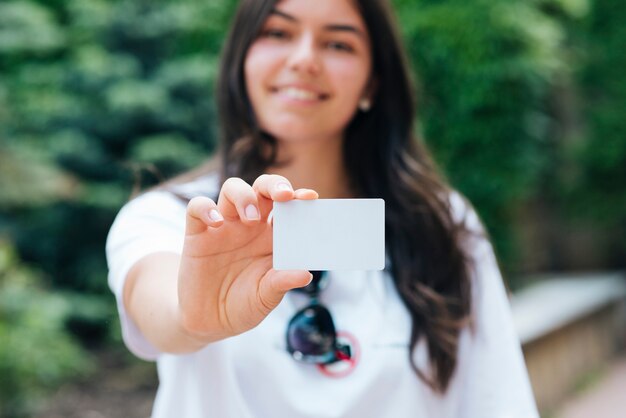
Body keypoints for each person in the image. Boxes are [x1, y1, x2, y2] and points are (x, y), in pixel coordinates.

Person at [106, 0, 539, 417]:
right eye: (278, 32)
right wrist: (193, 318)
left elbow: (499, 402)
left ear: (373, 81)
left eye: (338, 43)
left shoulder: (442, 223)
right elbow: (160, 306)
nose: (304, 59)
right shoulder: (178, 217)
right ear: (242, 59)